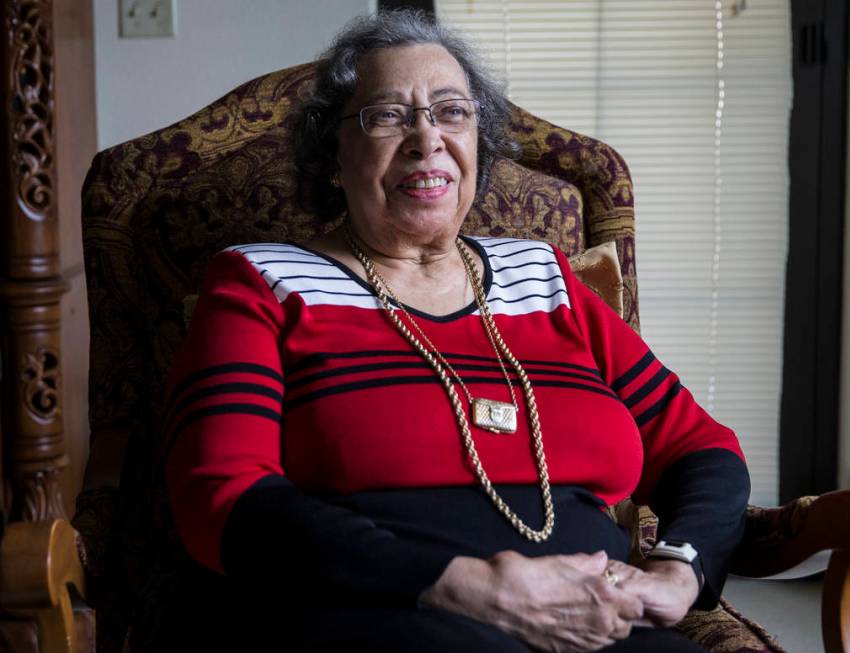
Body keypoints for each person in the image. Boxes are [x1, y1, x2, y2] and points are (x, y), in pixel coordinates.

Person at [163, 9, 750, 652]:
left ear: (479, 146)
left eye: (452, 112)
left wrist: (679, 568)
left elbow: (700, 445)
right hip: (376, 611)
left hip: (597, 619)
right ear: (334, 154)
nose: (427, 140)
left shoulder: (544, 278)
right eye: (387, 116)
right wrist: (464, 586)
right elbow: (220, 497)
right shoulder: (260, 281)